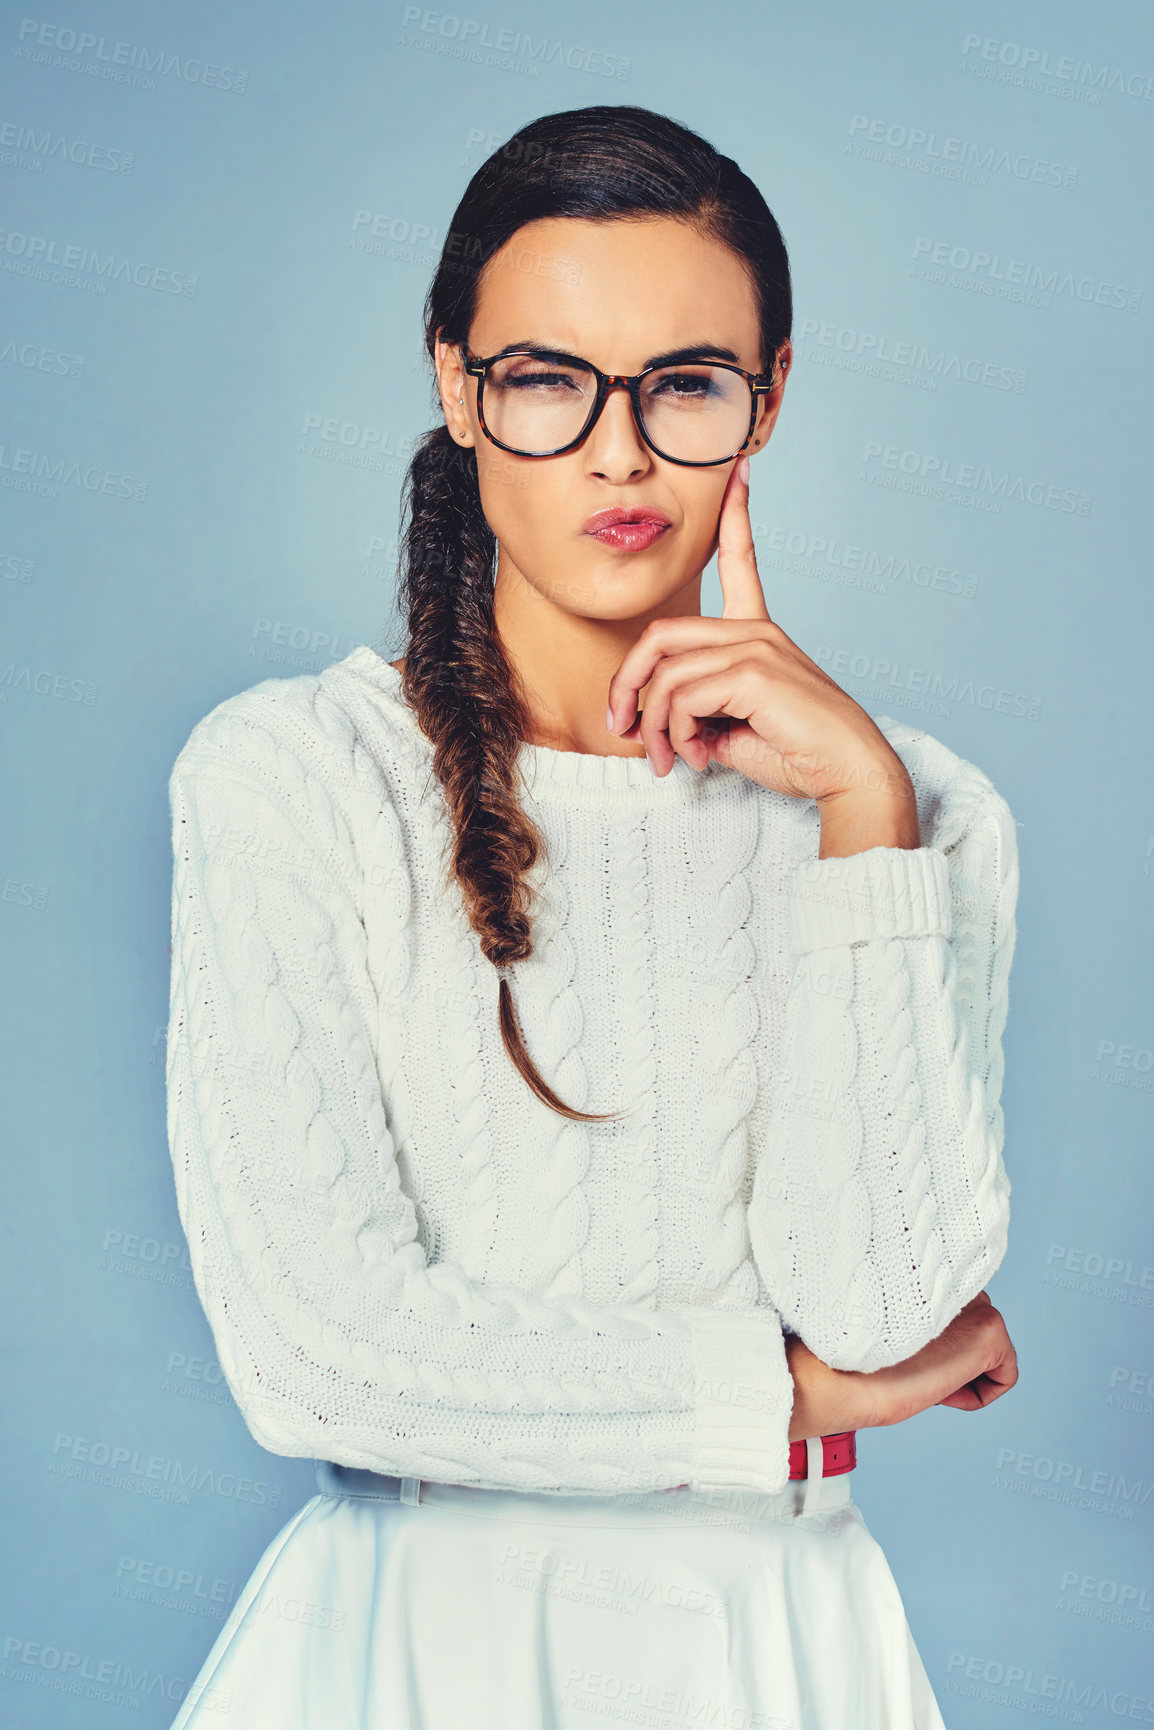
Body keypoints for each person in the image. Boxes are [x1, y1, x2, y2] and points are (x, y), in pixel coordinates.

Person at [163, 104, 1019, 1730]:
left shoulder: (924, 814)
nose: (618, 455)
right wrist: (789, 1397)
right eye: (548, 381)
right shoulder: (292, 775)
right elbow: (320, 1355)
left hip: (782, 1642)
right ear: (452, 385)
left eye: (684, 385)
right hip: (417, 1642)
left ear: (765, 401)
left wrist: (861, 820)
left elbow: (882, 1304)